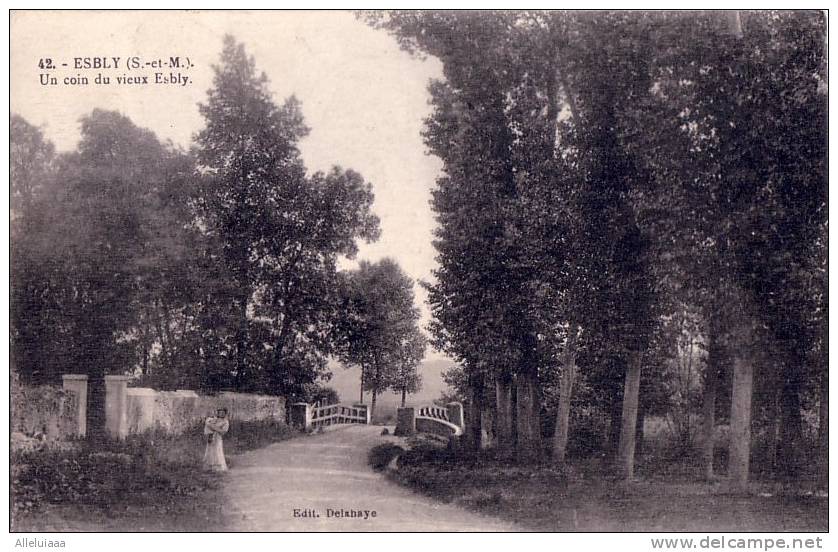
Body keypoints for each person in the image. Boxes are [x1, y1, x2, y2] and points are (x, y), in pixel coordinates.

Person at [203, 408, 229, 472]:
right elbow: (207, 425)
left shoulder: (225, 422)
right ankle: (209, 467)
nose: (221, 414)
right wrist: (212, 426)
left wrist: (214, 427)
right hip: (211, 437)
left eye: (223, 413)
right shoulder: (213, 419)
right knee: (210, 451)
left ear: (225, 414)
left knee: (217, 451)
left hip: (218, 438)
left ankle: (218, 468)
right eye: (220, 413)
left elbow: (223, 432)